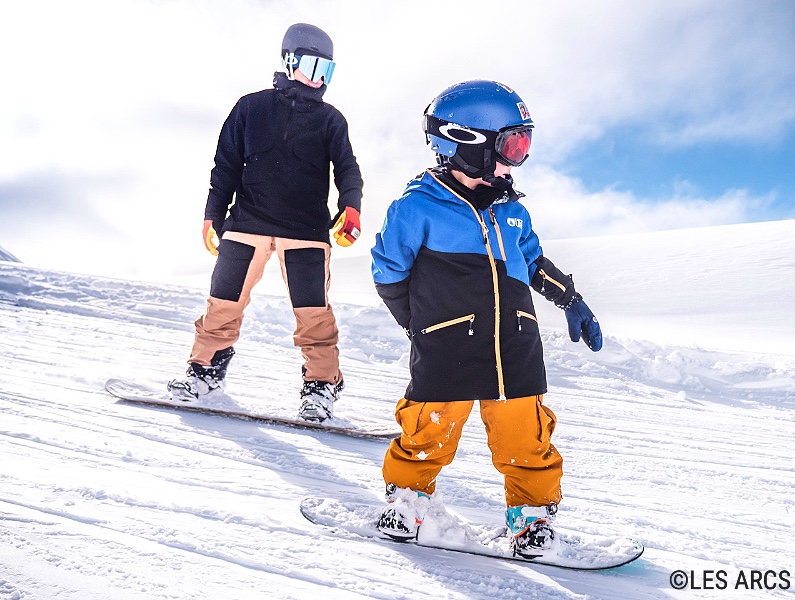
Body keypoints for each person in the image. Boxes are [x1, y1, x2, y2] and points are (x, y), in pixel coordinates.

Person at [370, 80, 603, 557]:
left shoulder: (513, 212)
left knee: (527, 436)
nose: (517, 158)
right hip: (447, 345)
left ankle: (531, 518)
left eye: (523, 145)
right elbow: (388, 271)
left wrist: (571, 299)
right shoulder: (416, 208)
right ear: (465, 142)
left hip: (516, 343)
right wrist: (420, 325)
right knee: (428, 429)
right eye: (511, 144)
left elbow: (534, 261)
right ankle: (408, 501)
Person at [168, 23, 364, 423]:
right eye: (312, 66)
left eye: (327, 71)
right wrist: (212, 214)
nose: (318, 78)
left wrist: (352, 206)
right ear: (289, 60)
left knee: (312, 311)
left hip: (306, 229)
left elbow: (347, 168)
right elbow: (225, 166)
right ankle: (206, 368)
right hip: (246, 221)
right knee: (223, 300)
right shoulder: (250, 107)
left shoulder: (330, 120)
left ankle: (322, 384)